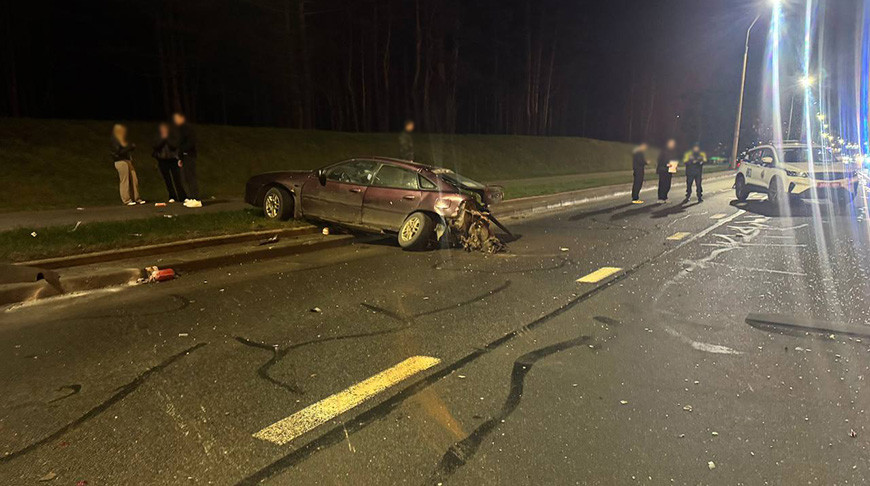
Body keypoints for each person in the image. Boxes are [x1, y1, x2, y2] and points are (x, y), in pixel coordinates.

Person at [172, 112, 201, 208]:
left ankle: (196, 198)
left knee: (191, 177)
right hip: (184, 156)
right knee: (186, 178)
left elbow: (189, 142)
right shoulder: (181, 129)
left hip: (189, 155)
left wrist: (183, 151)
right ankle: (192, 197)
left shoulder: (187, 129)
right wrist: (180, 157)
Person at [110, 124, 145, 206]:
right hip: (120, 161)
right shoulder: (115, 140)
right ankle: (126, 200)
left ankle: (136, 198)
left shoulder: (123, 140)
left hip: (127, 160)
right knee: (125, 181)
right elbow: (117, 152)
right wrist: (129, 148)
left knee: (134, 179)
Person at [152, 122, 186, 203]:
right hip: (162, 160)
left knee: (177, 179)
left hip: (173, 159)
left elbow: (174, 146)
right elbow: (156, 146)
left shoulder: (172, 137)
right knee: (167, 180)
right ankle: (172, 196)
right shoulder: (158, 137)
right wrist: (163, 139)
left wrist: (167, 138)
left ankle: (182, 196)